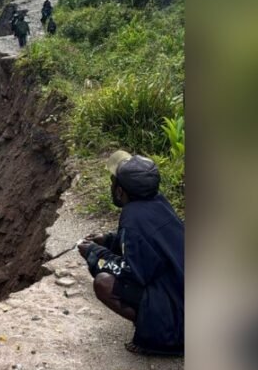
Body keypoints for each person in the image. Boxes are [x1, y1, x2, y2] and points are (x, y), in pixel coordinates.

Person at [77, 150, 184, 355]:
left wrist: (94, 254)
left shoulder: (132, 219)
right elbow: (148, 248)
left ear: (120, 191)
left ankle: (156, 339)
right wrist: (109, 241)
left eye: (113, 182)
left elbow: (131, 272)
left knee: (104, 283)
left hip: (178, 326)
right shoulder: (159, 204)